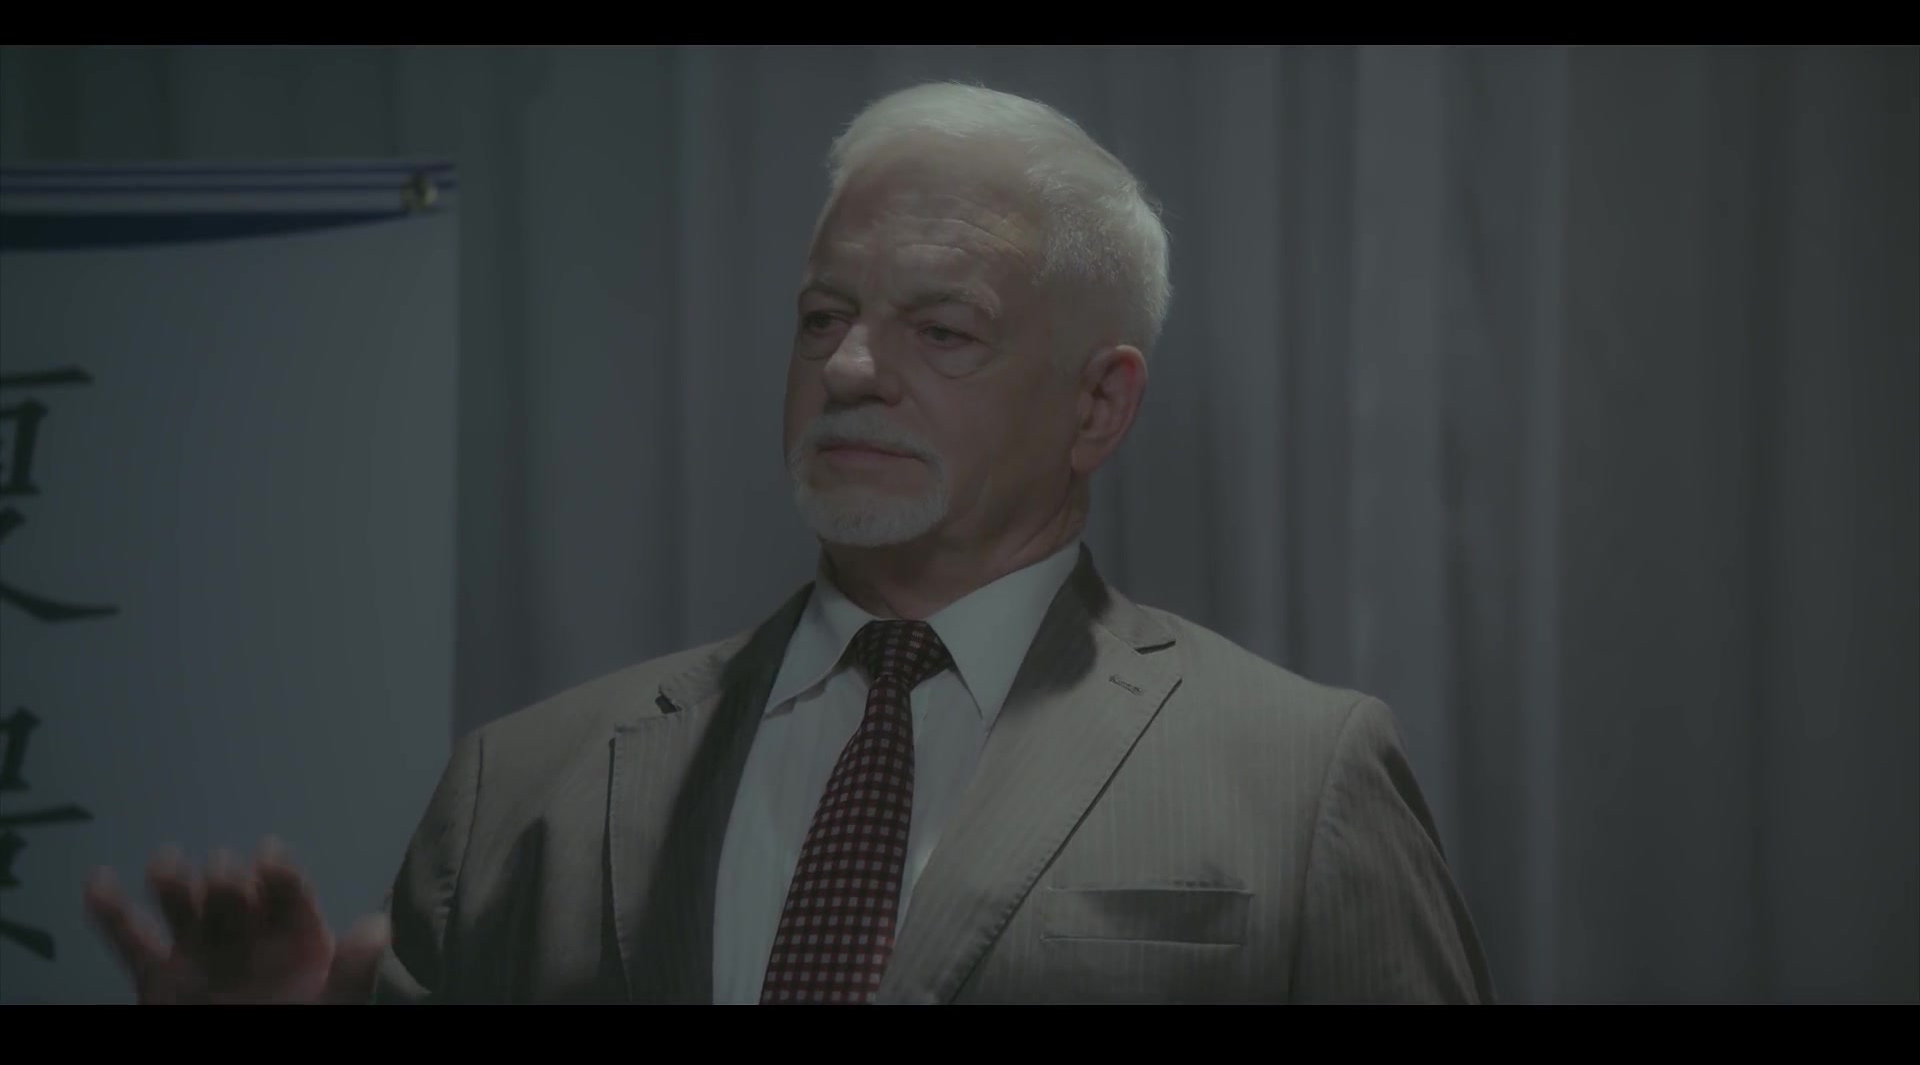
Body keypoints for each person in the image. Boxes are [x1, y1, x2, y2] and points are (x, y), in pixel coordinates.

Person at [81, 81, 1495, 1005]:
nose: (853, 369)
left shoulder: (1299, 780)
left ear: (1097, 405)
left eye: (941, 330)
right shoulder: (522, 790)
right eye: (824, 317)